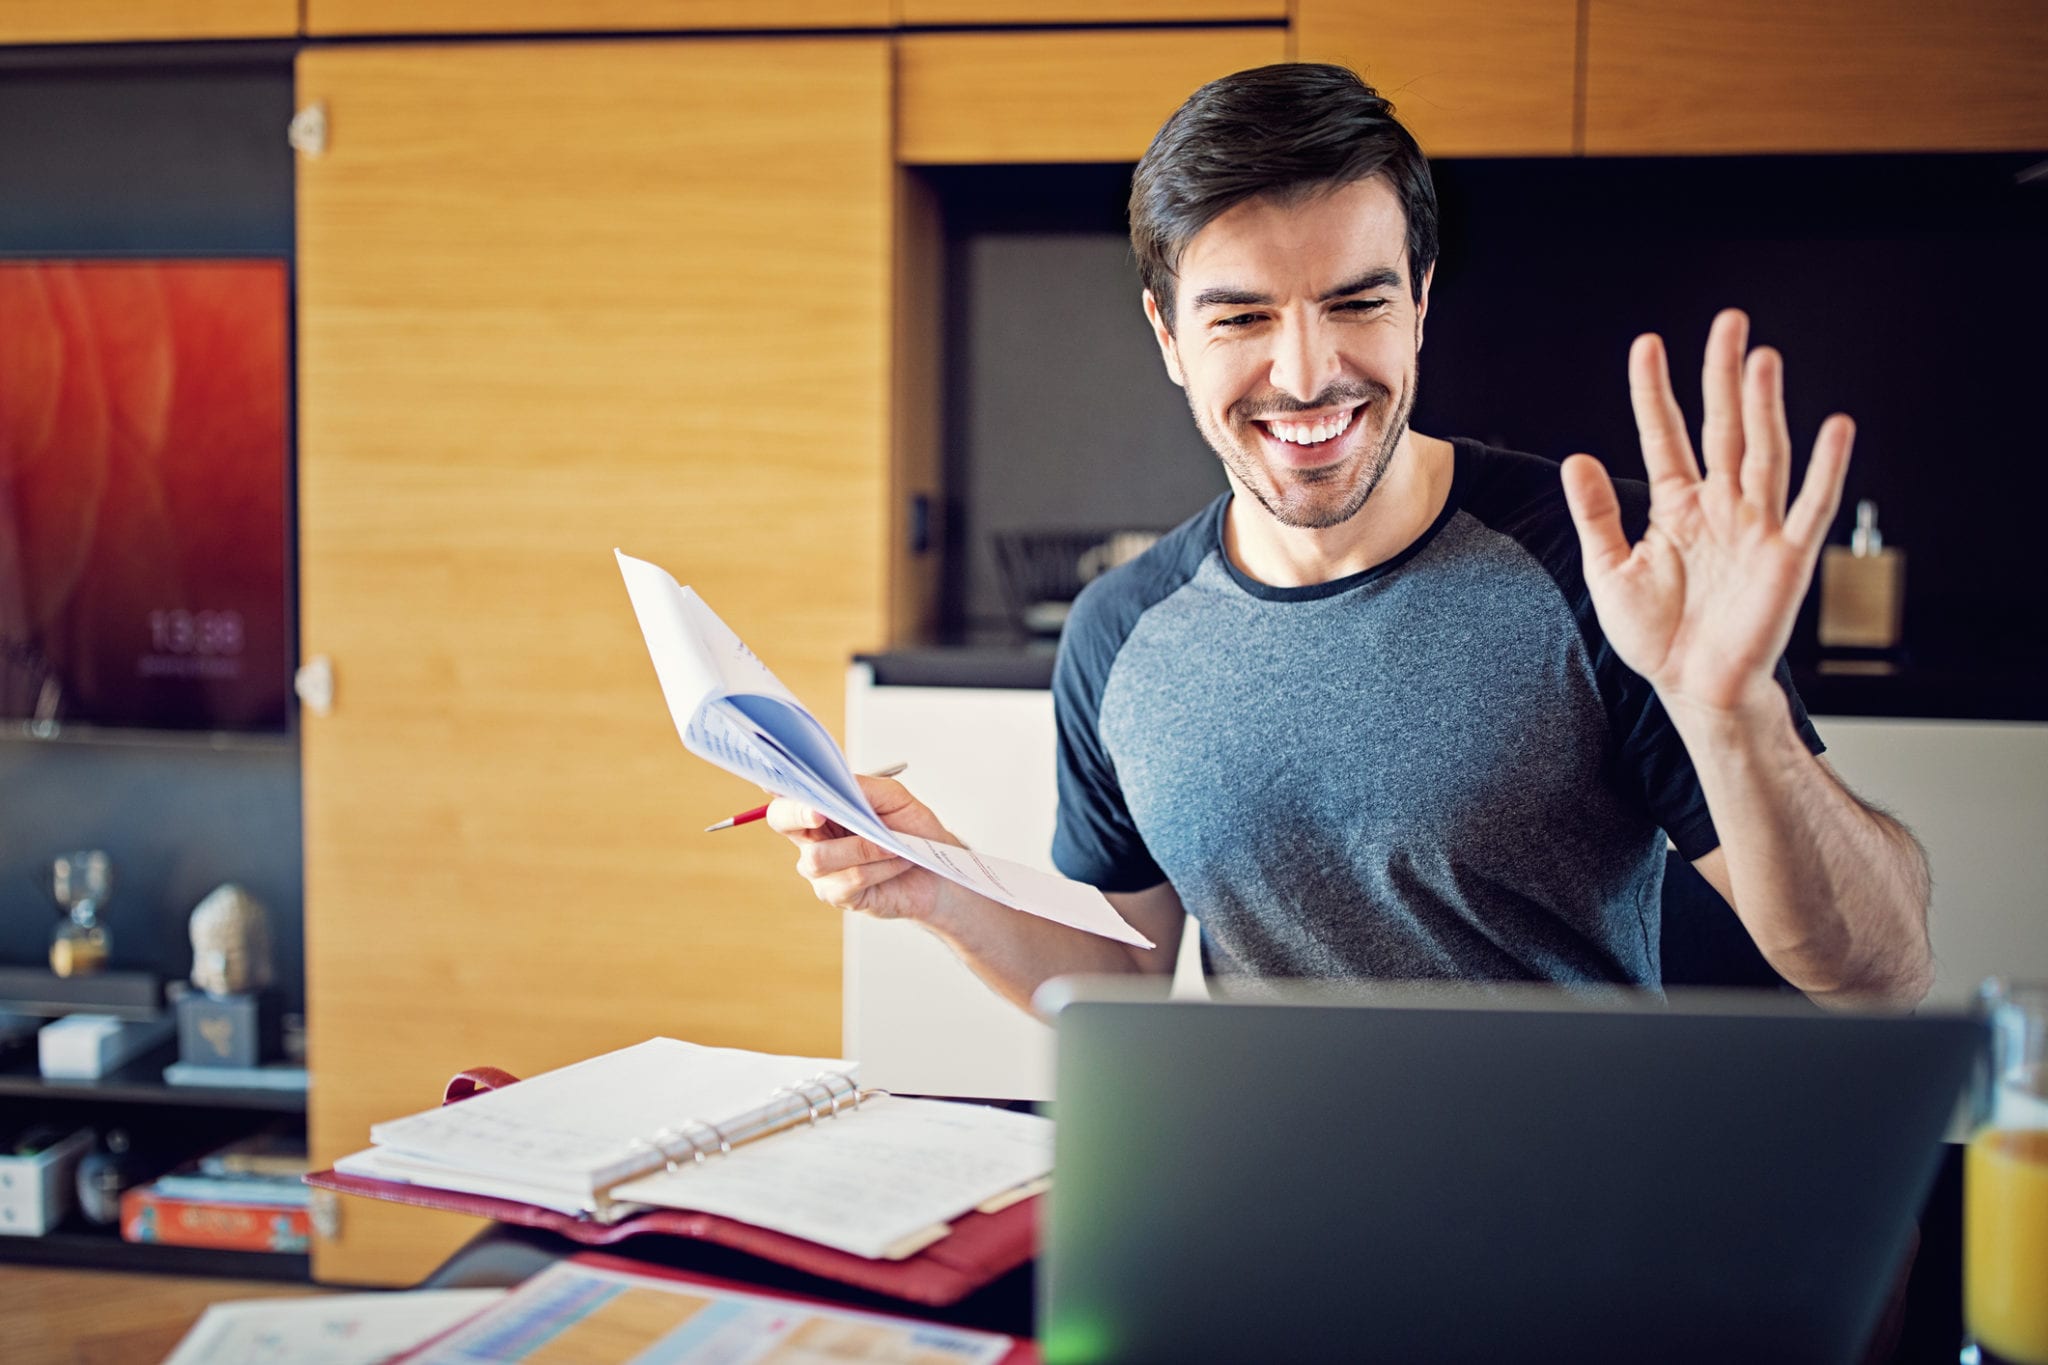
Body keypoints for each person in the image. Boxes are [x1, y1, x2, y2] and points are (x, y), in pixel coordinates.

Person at [771, 63, 1934, 1013]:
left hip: (1574, 1230)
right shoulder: (1120, 632)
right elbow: (1119, 970)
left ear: (1419, 299)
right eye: (1239, 317)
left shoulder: (1607, 573)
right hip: (1271, 1226)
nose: (1306, 372)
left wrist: (1738, 725)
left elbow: (1874, 970)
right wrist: (932, 880)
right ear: (1167, 336)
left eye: (1355, 302)